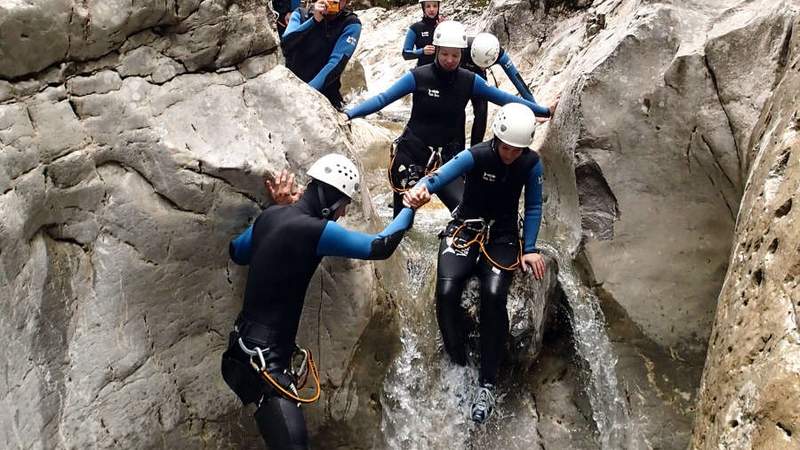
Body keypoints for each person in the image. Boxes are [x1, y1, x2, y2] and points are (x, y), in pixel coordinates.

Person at [221, 154, 429, 449]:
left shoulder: (271, 216)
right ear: (329, 201)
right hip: (265, 366)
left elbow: (237, 252)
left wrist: (277, 209)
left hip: (240, 354)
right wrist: (409, 208)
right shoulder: (318, 230)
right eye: (343, 205)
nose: (342, 214)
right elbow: (380, 246)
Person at [403, 103, 547, 425]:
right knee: (447, 290)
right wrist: (419, 190)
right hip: (466, 228)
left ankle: (487, 384)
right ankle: (456, 365)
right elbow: (441, 176)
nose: (510, 155)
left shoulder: (531, 163)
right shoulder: (478, 154)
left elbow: (535, 205)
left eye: (517, 150)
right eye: (507, 148)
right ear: (497, 139)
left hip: (504, 236)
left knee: (494, 295)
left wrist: (531, 247)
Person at [345, 20, 556, 217]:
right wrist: (349, 113)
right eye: (445, 54)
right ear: (436, 50)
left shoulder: (470, 80)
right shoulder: (419, 76)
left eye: (455, 55)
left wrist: (544, 111)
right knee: (404, 218)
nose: (449, 60)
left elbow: (506, 99)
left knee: (465, 214)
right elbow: (383, 98)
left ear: (462, 54)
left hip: (447, 160)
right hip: (411, 153)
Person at [463, 32, 541, 146]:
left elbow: (518, 82)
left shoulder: (499, 54)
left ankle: (475, 151)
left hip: (479, 77)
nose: (480, 66)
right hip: (460, 74)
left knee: (481, 113)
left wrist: (536, 110)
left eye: (483, 65)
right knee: (457, 112)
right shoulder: (463, 46)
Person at [281, 0, 361, 109]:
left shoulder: (350, 23)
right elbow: (286, 45)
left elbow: (336, 63)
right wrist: (314, 20)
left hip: (324, 98)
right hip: (289, 88)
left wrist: (306, 92)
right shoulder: (300, 14)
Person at [401, 0, 443, 67]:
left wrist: (442, 30)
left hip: (442, 71)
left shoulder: (445, 26)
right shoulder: (415, 28)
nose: (432, 9)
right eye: (428, 6)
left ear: (438, 7)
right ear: (423, 8)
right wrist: (422, 51)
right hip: (423, 71)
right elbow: (405, 54)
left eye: (435, 6)